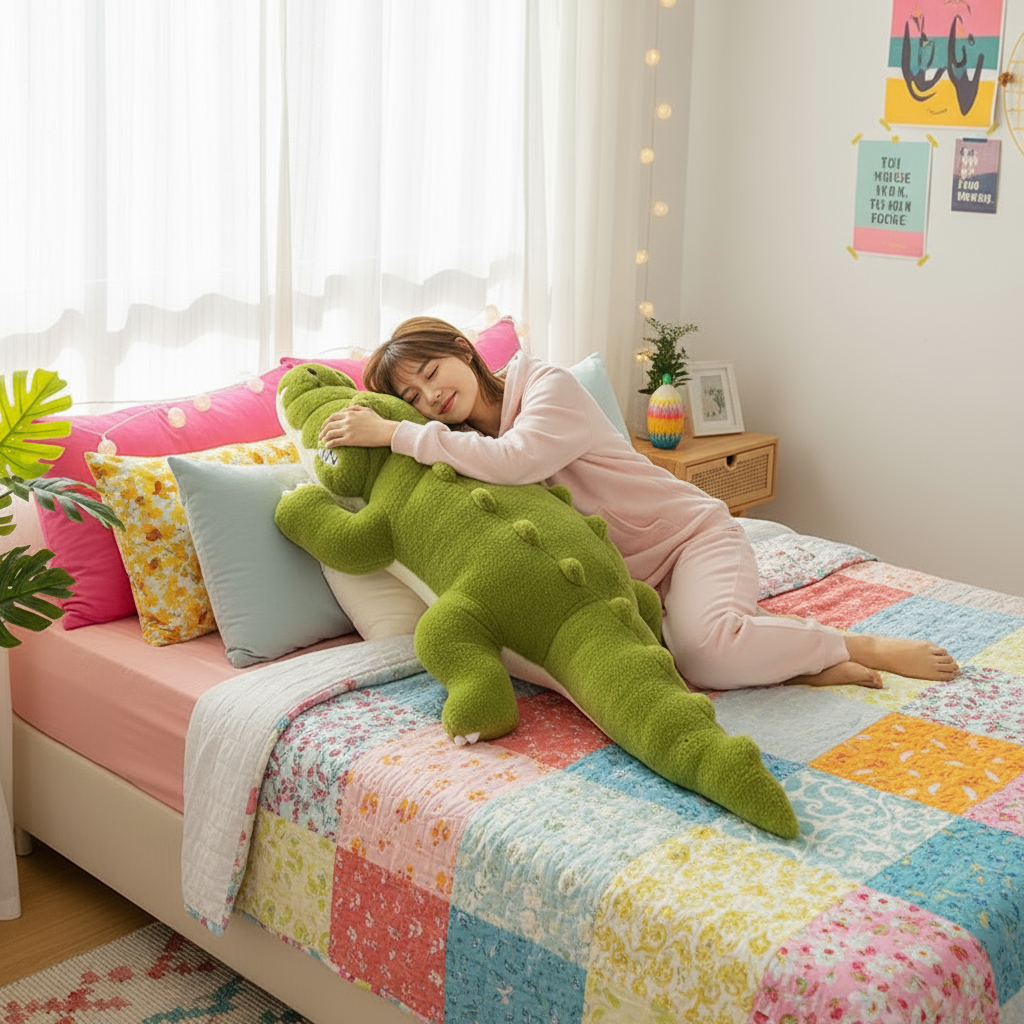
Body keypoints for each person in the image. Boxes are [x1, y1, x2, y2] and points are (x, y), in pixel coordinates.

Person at [317, 316, 959, 692]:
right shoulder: (457, 450)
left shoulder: (547, 385)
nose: (431, 399)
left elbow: (519, 459)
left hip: (691, 540)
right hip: (626, 585)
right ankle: (794, 667)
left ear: (463, 352)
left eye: (432, 374)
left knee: (703, 654)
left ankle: (851, 645)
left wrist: (396, 432)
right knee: (663, 665)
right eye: (414, 397)